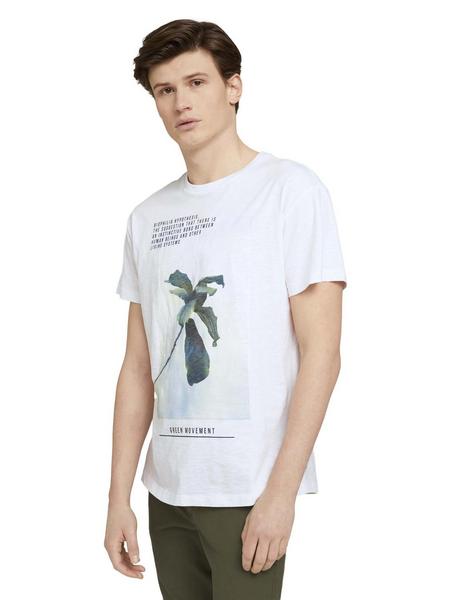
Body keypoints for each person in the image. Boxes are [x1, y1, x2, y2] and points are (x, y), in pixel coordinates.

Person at [104, 18, 348, 600]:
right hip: (168, 492)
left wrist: (281, 493)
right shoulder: (147, 217)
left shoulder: (290, 191)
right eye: (165, 90)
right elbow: (137, 367)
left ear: (233, 86)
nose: (181, 104)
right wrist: (119, 496)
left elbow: (322, 353)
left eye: (196, 83)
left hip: (248, 490)